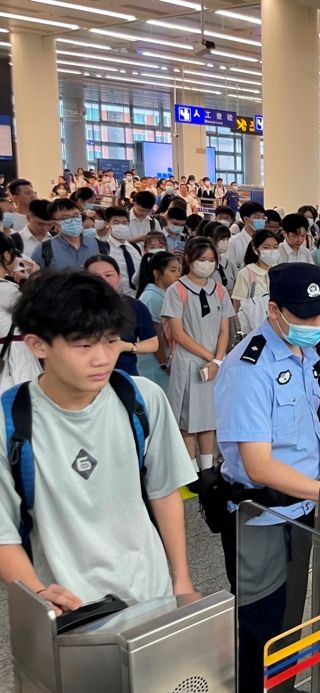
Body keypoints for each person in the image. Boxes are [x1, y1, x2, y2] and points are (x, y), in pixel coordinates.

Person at [0, 271, 195, 613]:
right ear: (37, 344)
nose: (102, 358)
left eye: (111, 341)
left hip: (152, 594)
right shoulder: (9, 421)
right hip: (69, 611)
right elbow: (4, 533)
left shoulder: (142, 399)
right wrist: (39, 595)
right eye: (84, 345)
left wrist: (181, 581)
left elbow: (163, 492)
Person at [215, 263, 320, 692]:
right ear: (274, 310)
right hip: (262, 517)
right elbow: (259, 465)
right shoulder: (250, 367)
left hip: (300, 509)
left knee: (288, 624)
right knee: (262, 630)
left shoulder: (302, 355)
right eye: (306, 316)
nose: (317, 324)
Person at [162, 238, 234, 477]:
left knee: (209, 416)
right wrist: (210, 357)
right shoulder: (177, 290)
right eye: (202, 259)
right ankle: (190, 468)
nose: (207, 264)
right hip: (189, 361)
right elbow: (178, 333)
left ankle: (207, 466)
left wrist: (218, 360)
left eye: (211, 260)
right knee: (188, 418)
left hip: (215, 363)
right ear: (188, 259)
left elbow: (225, 329)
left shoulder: (219, 289)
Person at [84, 255, 159, 377]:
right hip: (86, 375)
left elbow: (152, 343)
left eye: (109, 275)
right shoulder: (75, 308)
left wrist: (126, 346)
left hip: (125, 375)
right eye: (96, 277)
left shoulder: (135, 306)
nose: (103, 280)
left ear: (119, 277)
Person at [0, 234, 40, 391]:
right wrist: (34, 277)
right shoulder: (5, 289)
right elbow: (39, 310)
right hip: (14, 359)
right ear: (7, 255)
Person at [136, 250, 180, 385]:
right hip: (155, 361)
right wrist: (163, 363)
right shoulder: (152, 297)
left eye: (179, 270)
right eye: (172, 270)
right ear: (157, 273)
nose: (177, 275)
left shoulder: (164, 294)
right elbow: (156, 335)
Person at [31, 199, 101, 271]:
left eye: (76, 215)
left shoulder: (96, 244)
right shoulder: (44, 250)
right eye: (66, 218)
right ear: (55, 223)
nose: (73, 221)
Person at [232, 230, 280, 315]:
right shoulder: (246, 273)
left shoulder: (278, 271)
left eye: (275, 247)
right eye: (266, 247)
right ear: (255, 249)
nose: (272, 251)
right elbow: (239, 305)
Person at [103, 206, 143, 296]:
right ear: (108, 224)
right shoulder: (104, 248)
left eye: (124, 223)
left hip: (138, 297)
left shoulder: (136, 248)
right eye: (116, 223)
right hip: (116, 297)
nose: (121, 226)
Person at [227, 201, 267, 272]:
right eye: (258, 217)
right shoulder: (234, 242)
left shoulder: (267, 240)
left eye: (263, 218)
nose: (261, 221)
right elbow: (230, 268)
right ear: (246, 219)